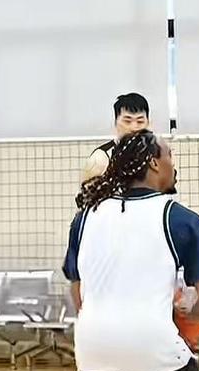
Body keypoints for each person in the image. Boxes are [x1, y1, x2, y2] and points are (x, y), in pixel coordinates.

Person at [73, 130, 199, 371]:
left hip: (92, 351)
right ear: (154, 163)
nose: (173, 165)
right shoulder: (179, 219)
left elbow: (78, 294)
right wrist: (184, 314)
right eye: (170, 156)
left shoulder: (85, 217)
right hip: (150, 344)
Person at [64, 92, 153, 311]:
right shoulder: (101, 158)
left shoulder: (156, 159)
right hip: (109, 246)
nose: (134, 127)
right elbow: (87, 205)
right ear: (115, 123)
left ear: (148, 123)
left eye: (140, 121)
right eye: (127, 121)